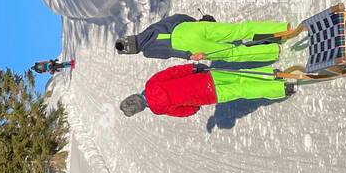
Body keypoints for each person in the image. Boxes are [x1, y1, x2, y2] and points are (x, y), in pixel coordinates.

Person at [119, 62, 293, 119]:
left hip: (208, 95)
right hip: (205, 78)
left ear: (140, 109)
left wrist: (194, 107)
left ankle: (282, 88)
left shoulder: (159, 109)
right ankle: (272, 74)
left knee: (242, 90)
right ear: (134, 95)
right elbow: (174, 72)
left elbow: (184, 112)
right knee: (239, 76)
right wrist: (193, 68)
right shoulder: (152, 84)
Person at [114, 13, 290, 63]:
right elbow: (175, 17)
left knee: (232, 53)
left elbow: (168, 51)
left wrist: (190, 56)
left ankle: (272, 50)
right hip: (189, 28)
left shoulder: (148, 51)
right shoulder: (150, 29)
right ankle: (280, 30)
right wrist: (197, 22)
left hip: (188, 44)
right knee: (237, 30)